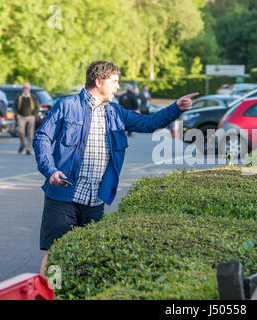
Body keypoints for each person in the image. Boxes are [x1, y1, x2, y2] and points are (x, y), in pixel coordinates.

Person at [32, 60, 198, 277]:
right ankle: (50, 293)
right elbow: (42, 137)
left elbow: (148, 123)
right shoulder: (67, 106)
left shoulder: (115, 113)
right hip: (63, 195)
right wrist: (50, 170)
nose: (117, 87)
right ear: (98, 81)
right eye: (114, 82)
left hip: (95, 200)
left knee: (87, 255)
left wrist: (175, 108)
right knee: (57, 253)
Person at [14, 83, 39, 155]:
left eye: (27, 88)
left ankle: (28, 148)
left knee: (30, 133)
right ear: (22, 89)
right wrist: (16, 114)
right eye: (24, 88)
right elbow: (15, 106)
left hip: (31, 116)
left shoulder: (33, 97)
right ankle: (22, 144)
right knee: (21, 132)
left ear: (29, 89)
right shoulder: (19, 96)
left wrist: (34, 115)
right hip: (21, 116)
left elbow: (37, 106)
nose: (26, 89)